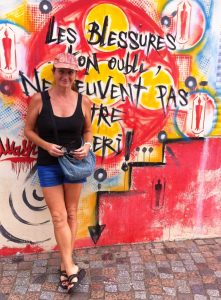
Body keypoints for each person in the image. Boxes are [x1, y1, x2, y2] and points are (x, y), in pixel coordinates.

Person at [24, 52, 93, 294]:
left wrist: (87, 146)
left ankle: (66, 264)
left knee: (72, 213)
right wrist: (46, 146)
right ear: (54, 73)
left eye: (70, 72)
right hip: (48, 163)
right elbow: (29, 131)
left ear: (75, 75)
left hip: (74, 164)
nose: (65, 75)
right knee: (58, 216)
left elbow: (88, 131)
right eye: (61, 71)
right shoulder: (39, 99)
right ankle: (70, 267)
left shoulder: (84, 101)